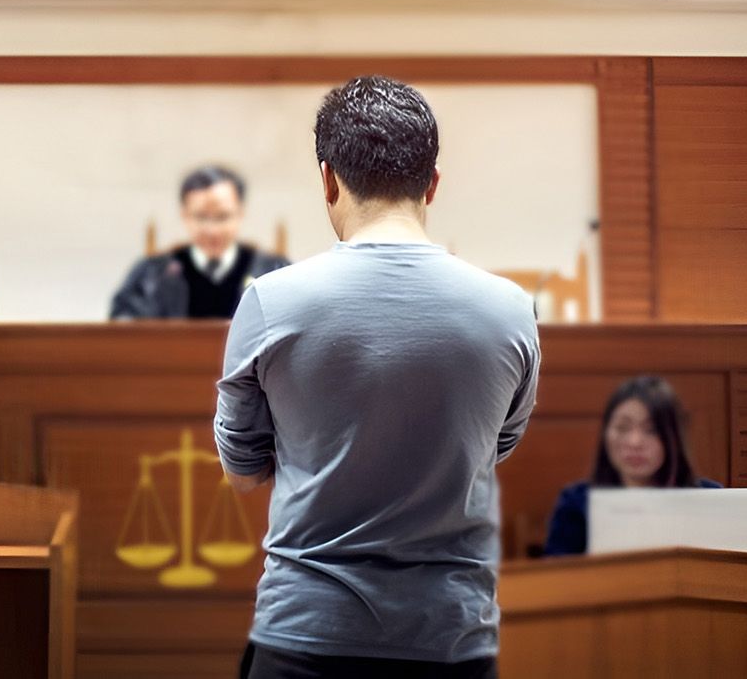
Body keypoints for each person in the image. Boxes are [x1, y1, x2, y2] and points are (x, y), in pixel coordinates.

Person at [213, 76, 541, 679]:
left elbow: (241, 475)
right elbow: (492, 448)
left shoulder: (269, 303)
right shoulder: (511, 310)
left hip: (304, 638)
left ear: (328, 179)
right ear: (433, 183)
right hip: (452, 643)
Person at [543, 375, 722, 557]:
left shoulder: (712, 500)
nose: (635, 442)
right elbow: (556, 580)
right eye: (622, 427)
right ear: (606, 433)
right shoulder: (576, 502)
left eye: (651, 430)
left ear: (673, 438)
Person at [109, 166, 289, 320]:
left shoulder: (273, 270)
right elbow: (124, 329)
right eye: (201, 217)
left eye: (222, 217)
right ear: (185, 215)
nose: (212, 230)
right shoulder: (150, 275)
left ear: (240, 213)